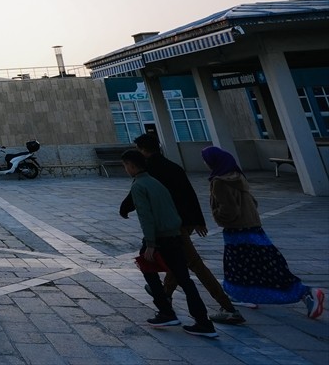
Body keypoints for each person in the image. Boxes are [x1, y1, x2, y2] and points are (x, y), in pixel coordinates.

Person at [119, 133, 244, 324]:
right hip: (184, 221)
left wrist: (125, 209)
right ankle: (165, 299)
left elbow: (138, 195)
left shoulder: (149, 170)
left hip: (171, 226)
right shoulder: (173, 166)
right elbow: (189, 193)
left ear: (143, 151)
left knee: (192, 264)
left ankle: (226, 307)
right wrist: (199, 220)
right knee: (178, 262)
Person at [202, 146, 324, 319]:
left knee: (251, 267)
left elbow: (228, 211)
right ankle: (241, 295)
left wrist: (218, 216)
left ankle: (305, 293)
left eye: (206, 159)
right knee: (256, 266)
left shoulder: (220, 182)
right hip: (253, 228)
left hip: (237, 231)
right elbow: (253, 202)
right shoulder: (237, 177)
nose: (205, 163)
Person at [121, 150, 217, 337]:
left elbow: (146, 216)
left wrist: (150, 243)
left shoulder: (139, 186)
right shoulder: (156, 183)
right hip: (174, 236)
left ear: (131, 166)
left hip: (159, 239)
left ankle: (166, 312)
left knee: (148, 270)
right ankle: (203, 321)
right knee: (185, 280)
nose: (125, 169)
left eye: (125, 166)